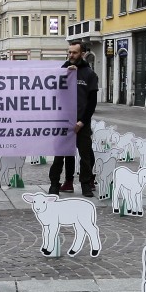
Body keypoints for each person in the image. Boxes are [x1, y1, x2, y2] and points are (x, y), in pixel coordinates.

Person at [49, 40, 98, 198]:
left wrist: (82, 121)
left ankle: (85, 184)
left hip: (81, 122)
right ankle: (54, 184)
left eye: (74, 52)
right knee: (59, 155)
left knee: (85, 155)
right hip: (63, 120)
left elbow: (92, 102)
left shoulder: (89, 74)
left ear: (82, 54)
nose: (71, 55)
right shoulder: (62, 70)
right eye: (69, 52)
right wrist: (66, 74)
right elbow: (54, 93)